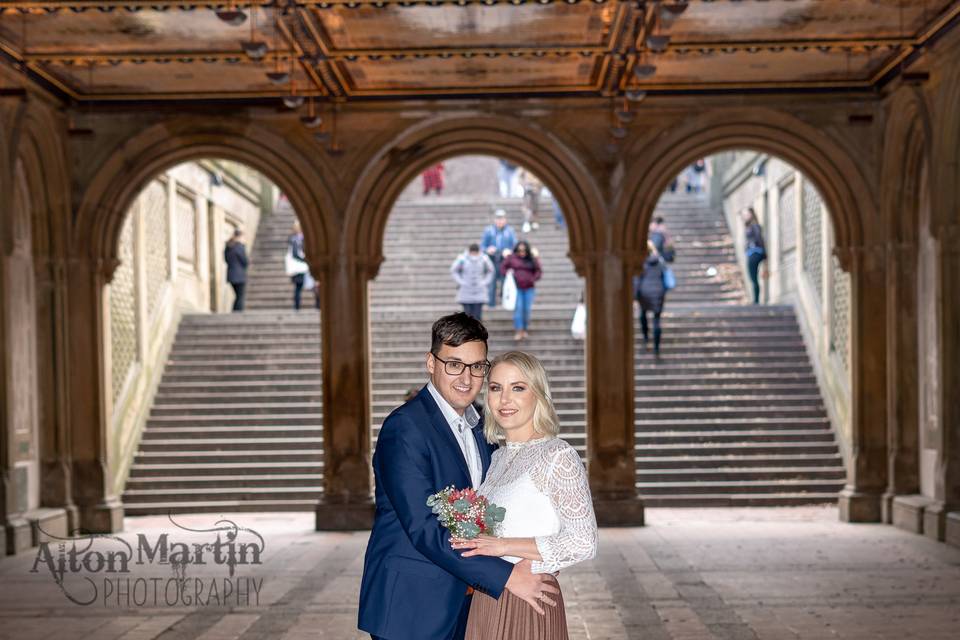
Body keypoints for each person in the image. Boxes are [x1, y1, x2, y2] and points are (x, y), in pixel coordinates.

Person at [358, 313, 559, 640]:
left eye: (477, 366)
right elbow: (423, 527)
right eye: (454, 364)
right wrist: (507, 576)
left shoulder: (483, 426)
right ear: (431, 363)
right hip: (413, 607)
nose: (466, 378)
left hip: (470, 601)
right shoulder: (405, 428)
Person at [451, 350, 598, 640]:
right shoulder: (497, 459)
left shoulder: (558, 455)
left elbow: (584, 541)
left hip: (528, 599)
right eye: (496, 388)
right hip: (488, 596)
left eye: (518, 388)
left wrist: (502, 546)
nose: (504, 400)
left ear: (539, 395)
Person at [500, 241, 542, 341]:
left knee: (526, 310)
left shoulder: (532, 259)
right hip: (516, 288)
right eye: (519, 250)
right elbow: (502, 268)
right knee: (518, 309)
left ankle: (525, 329)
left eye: (524, 250)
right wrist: (508, 274)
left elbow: (538, 270)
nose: (522, 252)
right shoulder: (511, 258)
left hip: (529, 287)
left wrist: (533, 278)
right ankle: (519, 330)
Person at [636, 240, 668, 357]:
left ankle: (645, 337)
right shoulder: (659, 261)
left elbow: (637, 280)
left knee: (643, 314)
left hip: (644, 292)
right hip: (658, 292)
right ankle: (656, 347)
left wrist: (635, 294)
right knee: (656, 319)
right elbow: (665, 276)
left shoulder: (640, 262)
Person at [481, 210, 518, 308]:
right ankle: (491, 304)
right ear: (494, 220)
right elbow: (482, 247)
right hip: (492, 259)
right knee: (492, 283)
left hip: (505, 260)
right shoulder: (488, 230)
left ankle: (504, 302)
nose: (500, 221)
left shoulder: (510, 231)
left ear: (505, 220)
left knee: (504, 282)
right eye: (498, 219)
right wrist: (488, 249)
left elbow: (516, 246)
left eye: (502, 219)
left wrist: (509, 250)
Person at [451, 244, 495, 320]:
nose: (474, 255)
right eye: (472, 253)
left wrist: (485, 282)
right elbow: (454, 270)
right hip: (466, 290)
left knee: (477, 315)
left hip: (479, 290)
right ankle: (468, 332)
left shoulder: (484, 258)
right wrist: (461, 282)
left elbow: (491, 271)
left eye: (476, 253)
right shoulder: (462, 258)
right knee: (467, 315)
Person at [743, 206, 767, 304]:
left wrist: (765, 254)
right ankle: (756, 300)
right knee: (753, 277)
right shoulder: (749, 226)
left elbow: (759, 239)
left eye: (747, 214)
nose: (745, 216)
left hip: (755, 253)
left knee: (753, 277)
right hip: (754, 253)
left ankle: (756, 300)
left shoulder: (755, 226)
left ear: (752, 214)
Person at [223, 229, 248, 312]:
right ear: (240, 237)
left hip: (231, 274)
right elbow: (245, 261)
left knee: (237, 295)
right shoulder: (240, 247)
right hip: (239, 275)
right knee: (240, 295)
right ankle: (237, 312)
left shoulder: (228, 247)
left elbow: (226, 260)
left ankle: (235, 311)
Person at [286, 220, 309, 310]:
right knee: (298, 287)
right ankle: (296, 306)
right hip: (299, 267)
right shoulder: (295, 239)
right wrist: (304, 260)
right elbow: (295, 253)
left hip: (299, 266)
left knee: (298, 287)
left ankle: (297, 305)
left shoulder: (295, 238)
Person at [519, 168, 542, 233]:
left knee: (535, 205)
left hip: (536, 188)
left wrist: (538, 184)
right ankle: (526, 222)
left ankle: (535, 221)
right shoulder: (524, 167)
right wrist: (523, 184)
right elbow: (520, 175)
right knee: (527, 206)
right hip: (527, 188)